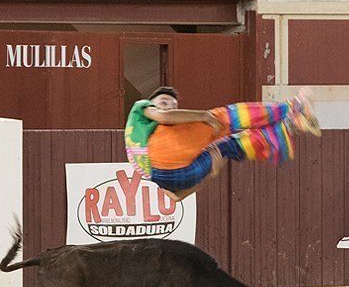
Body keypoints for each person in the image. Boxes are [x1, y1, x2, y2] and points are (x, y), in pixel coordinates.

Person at [124, 86, 321, 201]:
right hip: (162, 155)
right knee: (221, 118)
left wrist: (211, 174)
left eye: (175, 105)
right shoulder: (140, 107)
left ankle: (285, 130)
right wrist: (203, 115)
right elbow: (165, 117)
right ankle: (290, 108)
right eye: (165, 101)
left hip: (176, 177)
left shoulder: (141, 136)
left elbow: (176, 198)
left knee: (225, 146)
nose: (170, 106)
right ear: (151, 102)